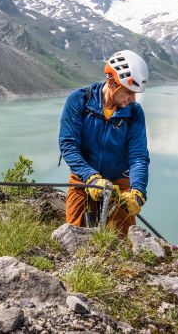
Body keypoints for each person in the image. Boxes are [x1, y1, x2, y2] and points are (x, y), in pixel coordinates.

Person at [59, 50, 150, 236]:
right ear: (111, 82)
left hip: (119, 184)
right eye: (128, 92)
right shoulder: (79, 100)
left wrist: (138, 193)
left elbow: (138, 156)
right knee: (74, 237)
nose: (133, 99)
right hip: (83, 180)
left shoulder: (134, 112)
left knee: (120, 243)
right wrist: (91, 177)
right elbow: (68, 145)